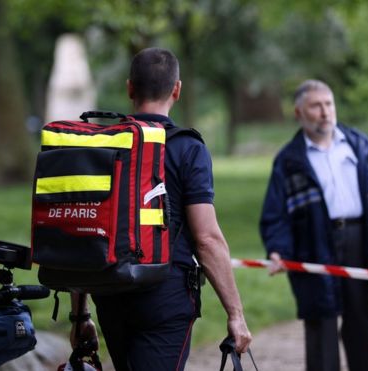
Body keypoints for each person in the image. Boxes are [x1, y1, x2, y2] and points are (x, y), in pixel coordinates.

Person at [69, 47, 252, 370]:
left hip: (110, 290)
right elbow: (207, 239)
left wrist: (80, 314)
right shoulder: (187, 147)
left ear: (129, 88)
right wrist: (235, 315)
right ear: (177, 90)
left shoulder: (104, 143)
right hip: (165, 297)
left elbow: (86, 231)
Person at [259, 79, 368, 371]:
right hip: (313, 244)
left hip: (360, 241)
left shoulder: (359, 145)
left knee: (362, 326)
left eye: (329, 104)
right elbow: (276, 214)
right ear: (299, 113)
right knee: (320, 326)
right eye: (316, 105)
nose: (325, 112)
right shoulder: (288, 160)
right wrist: (278, 250)